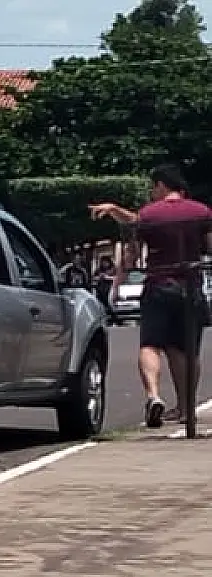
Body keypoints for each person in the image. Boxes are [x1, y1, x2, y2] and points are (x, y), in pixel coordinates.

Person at [90, 164, 212, 427]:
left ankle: (154, 396)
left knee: (150, 344)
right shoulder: (201, 211)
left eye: (152, 188)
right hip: (191, 287)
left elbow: (132, 245)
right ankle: (186, 409)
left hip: (159, 285)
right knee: (186, 350)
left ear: (161, 185)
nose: (151, 193)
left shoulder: (149, 214)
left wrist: (120, 279)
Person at [94, 255, 118, 325]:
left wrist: (107, 277)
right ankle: (105, 320)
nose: (104, 264)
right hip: (100, 290)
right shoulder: (99, 270)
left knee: (110, 303)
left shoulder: (113, 269)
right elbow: (94, 277)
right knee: (101, 305)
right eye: (103, 262)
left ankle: (114, 318)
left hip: (110, 288)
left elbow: (116, 278)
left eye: (106, 262)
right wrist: (99, 278)